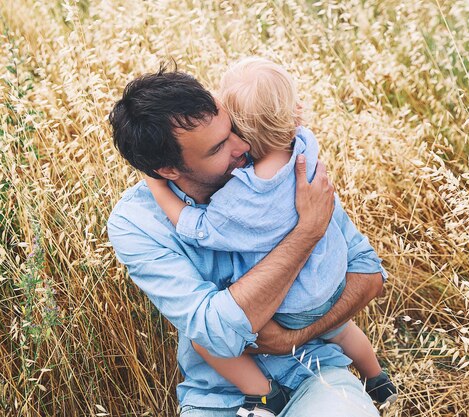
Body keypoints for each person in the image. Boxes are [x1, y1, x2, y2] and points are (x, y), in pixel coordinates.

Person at [107, 63, 386, 417]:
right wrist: (306, 233)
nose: (242, 146)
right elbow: (217, 334)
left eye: (233, 129)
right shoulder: (137, 223)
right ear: (167, 171)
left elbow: (369, 274)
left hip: (315, 374)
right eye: (219, 147)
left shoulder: (282, 169)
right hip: (219, 399)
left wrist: (294, 338)